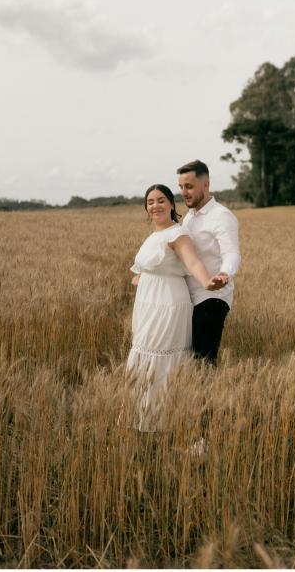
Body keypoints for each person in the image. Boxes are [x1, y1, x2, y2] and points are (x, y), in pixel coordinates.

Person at [126, 183, 226, 432]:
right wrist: (142, 278)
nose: (155, 206)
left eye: (161, 200)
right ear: (146, 209)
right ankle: (143, 420)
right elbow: (140, 271)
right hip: (148, 304)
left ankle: (166, 422)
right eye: (150, 202)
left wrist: (206, 281)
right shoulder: (152, 237)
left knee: (162, 356)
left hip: (168, 305)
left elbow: (192, 262)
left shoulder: (177, 233)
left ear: (172, 204)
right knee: (144, 352)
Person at [177, 159, 241, 366]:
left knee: (203, 362)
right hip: (189, 298)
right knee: (191, 361)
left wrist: (224, 273)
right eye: (181, 187)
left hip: (212, 298)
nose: (184, 192)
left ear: (206, 185)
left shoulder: (221, 216)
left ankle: (209, 398)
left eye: (189, 186)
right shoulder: (189, 218)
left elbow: (232, 253)